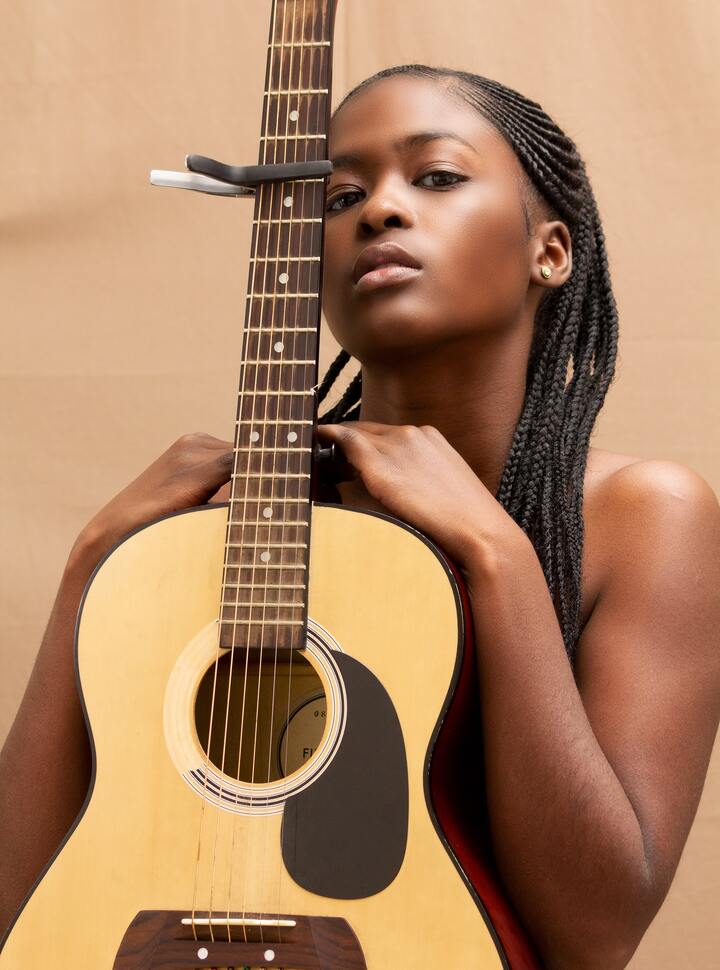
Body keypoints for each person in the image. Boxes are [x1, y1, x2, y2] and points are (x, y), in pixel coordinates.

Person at [1, 64, 718, 970]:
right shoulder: (230, 532)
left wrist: (493, 548)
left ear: (551, 251)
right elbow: (20, 907)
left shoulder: (640, 514)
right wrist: (91, 563)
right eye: (339, 196)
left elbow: (596, 937)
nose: (378, 210)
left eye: (437, 177)